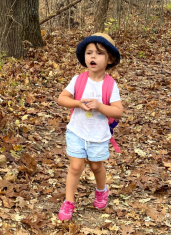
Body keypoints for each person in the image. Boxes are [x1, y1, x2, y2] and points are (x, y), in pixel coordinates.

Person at [57, 33, 123, 221]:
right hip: (77, 131)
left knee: (96, 166)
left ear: (109, 59)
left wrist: (100, 106)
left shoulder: (110, 84)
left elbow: (118, 111)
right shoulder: (78, 79)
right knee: (76, 167)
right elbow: (62, 98)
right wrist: (78, 103)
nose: (93, 57)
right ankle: (69, 201)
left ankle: (101, 190)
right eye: (89, 52)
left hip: (98, 135)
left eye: (99, 53)